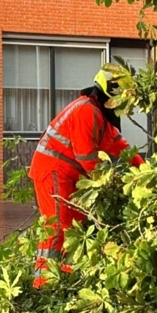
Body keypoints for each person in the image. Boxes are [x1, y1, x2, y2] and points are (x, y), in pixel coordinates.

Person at [28, 68, 144, 288]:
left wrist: (146, 172)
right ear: (111, 97)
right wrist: (110, 181)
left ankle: (68, 282)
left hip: (67, 176)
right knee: (58, 228)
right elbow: (87, 157)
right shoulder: (86, 111)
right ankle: (43, 286)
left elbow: (123, 149)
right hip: (53, 171)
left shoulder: (101, 118)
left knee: (78, 229)